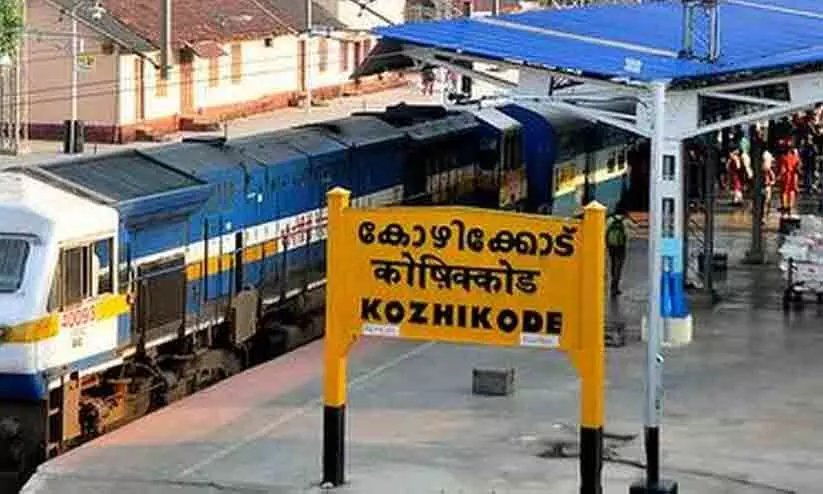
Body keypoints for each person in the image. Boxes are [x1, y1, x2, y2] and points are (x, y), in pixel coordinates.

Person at [606, 209, 630, 297]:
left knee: (613, 264)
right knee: (619, 267)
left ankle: (613, 285)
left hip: (612, 246)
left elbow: (605, 231)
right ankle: (615, 287)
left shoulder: (610, 220)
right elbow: (635, 226)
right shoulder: (625, 220)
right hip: (621, 247)